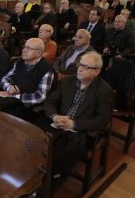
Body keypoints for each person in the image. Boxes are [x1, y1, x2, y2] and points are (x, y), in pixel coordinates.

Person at [40, 51, 113, 190]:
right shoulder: (68, 80)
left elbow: (102, 120)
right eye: (80, 64)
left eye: (86, 67)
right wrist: (55, 116)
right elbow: (50, 102)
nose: (80, 68)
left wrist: (74, 124)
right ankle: (33, 173)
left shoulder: (104, 91)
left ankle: (48, 185)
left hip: (78, 130)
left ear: (96, 72)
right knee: (37, 135)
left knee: (63, 153)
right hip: (59, 121)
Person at [0, 38, 54, 122]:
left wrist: (14, 96)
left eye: (29, 48)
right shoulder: (20, 62)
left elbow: (40, 97)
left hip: (27, 107)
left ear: (39, 53)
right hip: (10, 100)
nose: (24, 50)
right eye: (24, 47)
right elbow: (5, 78)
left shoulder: (46, 70)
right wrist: (9, 88)